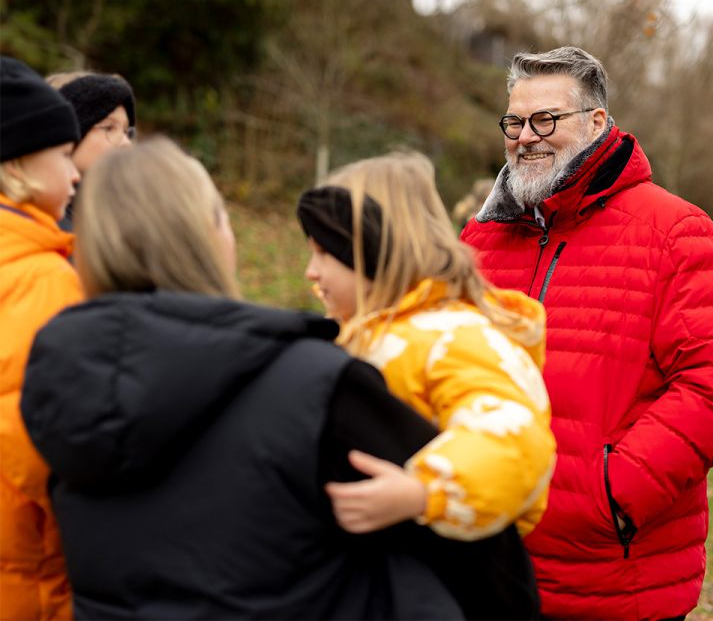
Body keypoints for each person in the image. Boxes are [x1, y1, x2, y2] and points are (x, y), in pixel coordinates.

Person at [19, 136, 535, 620]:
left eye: (325, 252)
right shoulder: (311, 384)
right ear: (204, 235)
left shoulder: (55, 386)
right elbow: (489, 568)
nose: (310, 272)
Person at [459, 46, 713, 620]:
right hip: (488, 568)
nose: (526, 137)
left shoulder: (675, 230)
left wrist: (613, 492)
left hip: (613, 578)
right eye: (514, 123)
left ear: (597, 122)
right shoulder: (481, 238)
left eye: (545, 119)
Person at [296, 151, 556, 545]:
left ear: (376, 249)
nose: (310, 272)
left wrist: (423, 492)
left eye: (325, 253)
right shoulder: (362, 331)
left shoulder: (453, 336)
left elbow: (516, 439)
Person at [0, 55, 82, 621]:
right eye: (66, 155)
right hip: (32, 572)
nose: (76, 175)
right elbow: (40, 443)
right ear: (20, 162)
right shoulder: (47, 278)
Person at [45, 70, 136, 231]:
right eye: (108, 128)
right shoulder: (42, 224)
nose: (126, 143)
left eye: (126, 131)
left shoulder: (124, 214)